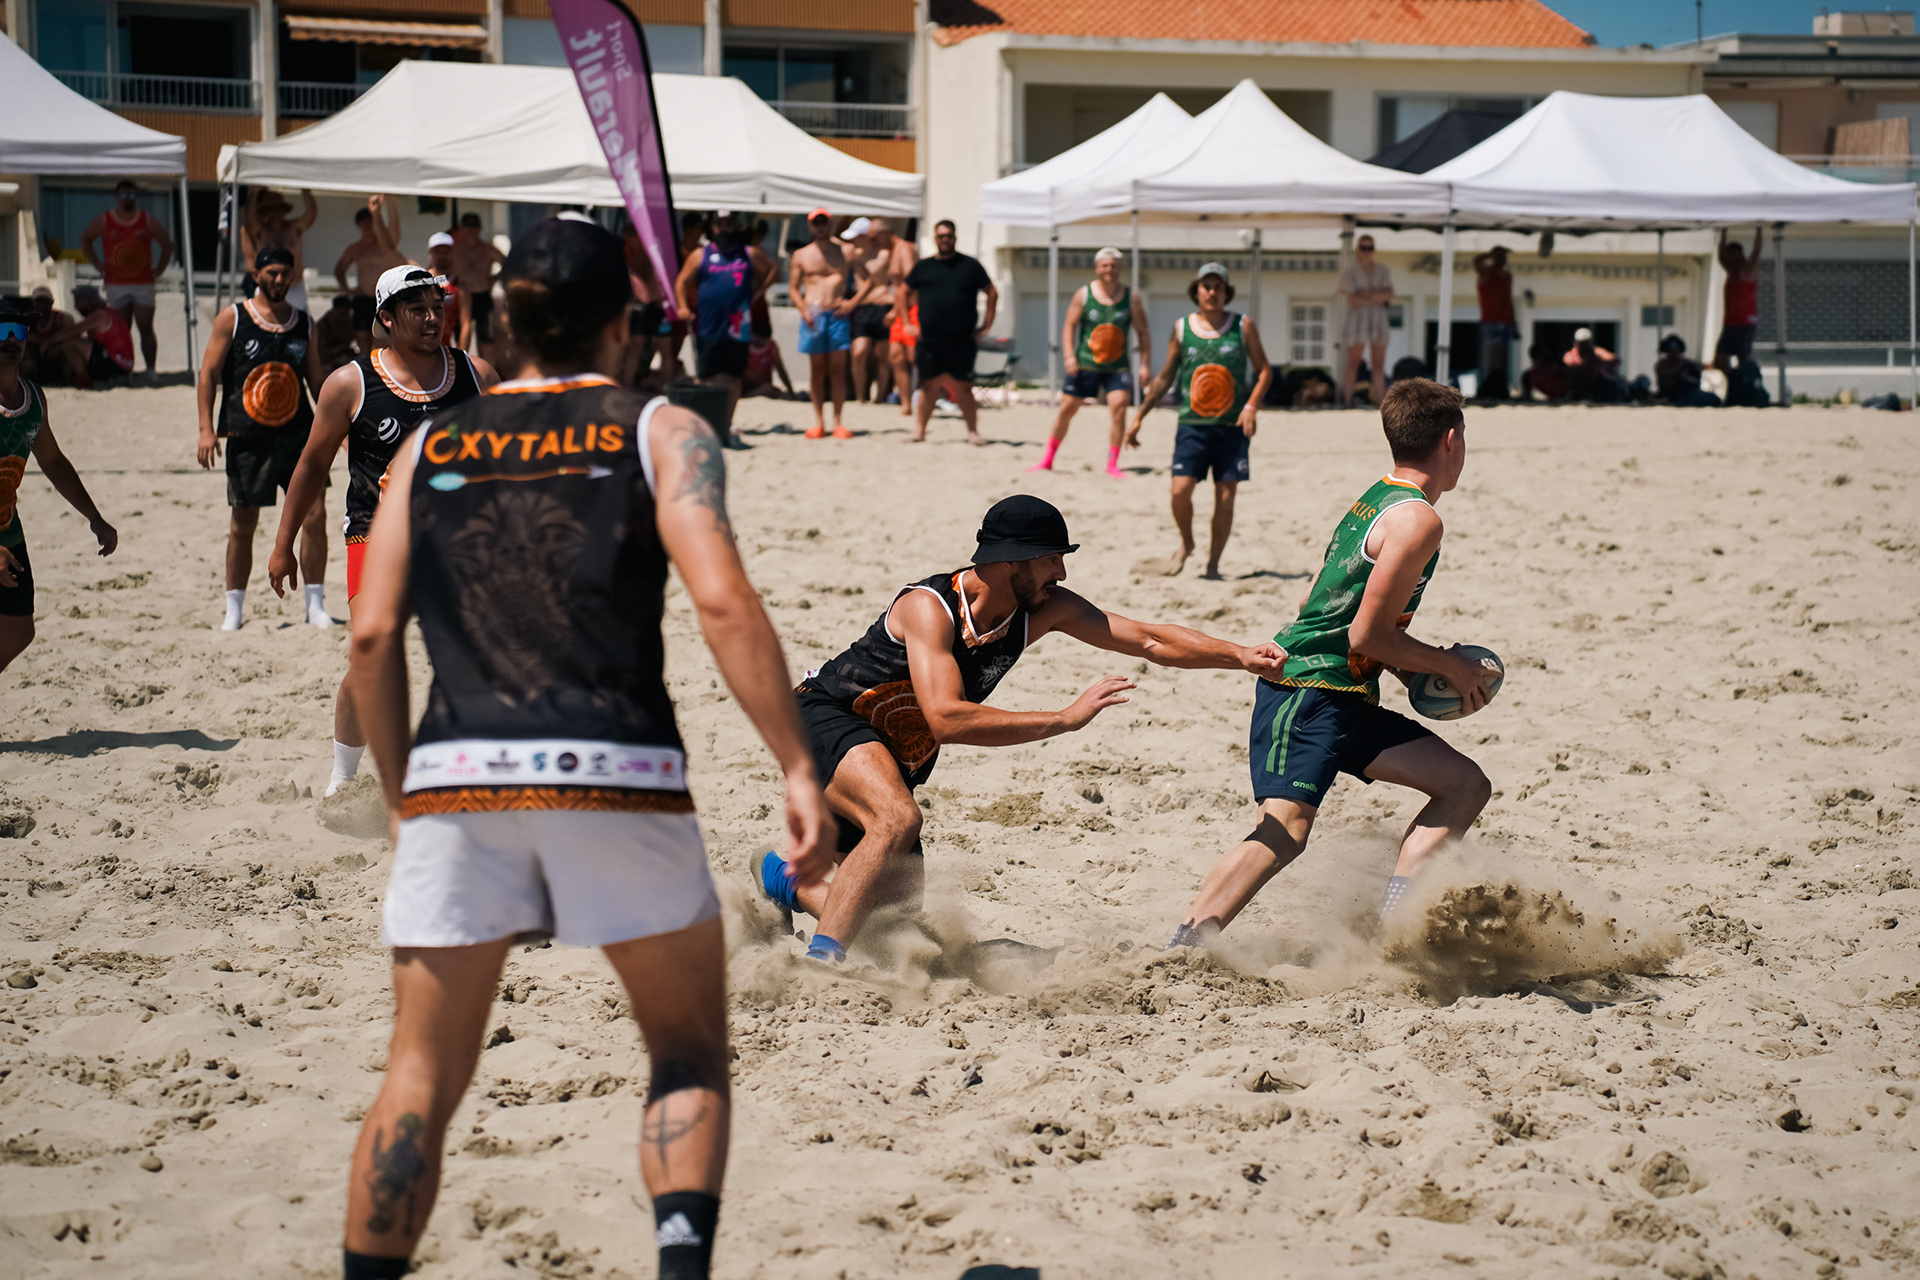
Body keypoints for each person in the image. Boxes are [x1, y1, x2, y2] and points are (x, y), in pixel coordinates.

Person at [337, 214, 833, 1280]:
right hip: (619, 771)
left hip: (460, 775)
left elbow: (371, 636)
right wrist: (797, 765)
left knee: (419, 1073)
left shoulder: (428, 445)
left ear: (503, 323)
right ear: (621, 323)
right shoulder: (661, 428)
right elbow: (722, 601)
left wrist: (403, 796)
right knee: (686, 1049)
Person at [754, 494, 1283, 960]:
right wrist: (1064, 719)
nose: (1063, 573)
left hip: (891, 757)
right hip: (823, 719)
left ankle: (781, 877)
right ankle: (823, 965)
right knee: (897, 818)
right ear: (1012, 561)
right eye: (1053, 559)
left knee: (892, 935)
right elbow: (946, 718)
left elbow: (1148, 639)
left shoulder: (1042, 609)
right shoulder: (928, 607)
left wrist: (1238, 655)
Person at [1165, 378, 1495, 951]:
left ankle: (1396, 931)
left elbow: (1318, 602)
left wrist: (1414, 672)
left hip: (1346, 694)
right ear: (1451, 440)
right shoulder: (1419, 520)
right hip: (1309, 690)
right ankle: (1185, 945)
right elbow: (1367, 632)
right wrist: (1449, 666)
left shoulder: (1377, 497)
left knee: (1464, 785)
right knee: (1286, 829)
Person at [268, 263, 496, 796]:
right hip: (376, 534)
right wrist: (282, 545)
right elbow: (311, 465)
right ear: (386, 318)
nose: (432, 317)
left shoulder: (477, 375)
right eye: (417, 309)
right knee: (370, 651)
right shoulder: (349, 383)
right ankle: (343, 778)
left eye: (437, 307)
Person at [195, 246, 328, 631]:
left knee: (315, 515)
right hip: (247, 433)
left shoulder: (304, 323)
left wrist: (337, 431)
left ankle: (315, 605)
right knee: (243, 521)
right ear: (257, 276)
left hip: (298, 435)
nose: (280, 279)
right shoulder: (233, 317)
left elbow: (317, 381)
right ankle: (234, 608)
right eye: (272, 273)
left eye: (286, 273)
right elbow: (208, 374)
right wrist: (206, 429)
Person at [1124, 262, 1270, 580]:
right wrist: (1138, 417)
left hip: (1232, 428)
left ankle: (1213, 565)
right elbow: (1165, 378)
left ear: (1226, 292)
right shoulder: (1182, 328)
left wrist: (1251, 405)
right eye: (1206, 286)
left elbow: (1264, 371)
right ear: (1197, 291)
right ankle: (1187, 543)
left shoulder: (1243, 325)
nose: (1212, 292)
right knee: (1179, 491)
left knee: (1226, 497)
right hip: (1192, 425)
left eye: (1218, 286)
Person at [0, 305, 118, 674]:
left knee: (20, 630)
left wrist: (95, 517)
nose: (11, 339)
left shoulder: (32, 399)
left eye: (19, 331)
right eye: (2, 330)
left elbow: (53, 462)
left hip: (8, 530)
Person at [1031, 246, 1149, 478]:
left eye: (1113, 266)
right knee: (1067, 410)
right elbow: (1069, 326)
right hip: (1086, 364)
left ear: (1120, 269)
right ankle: (1048, 459)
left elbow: (1143, 332)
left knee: (1119, 409)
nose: (1109, 270)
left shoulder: (1131, 298)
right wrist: (1068, 356)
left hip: (1117, 367)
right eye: (1104, 265)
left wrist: (1145, 364)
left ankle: (1112, 464)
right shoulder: (1084, 294)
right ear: (1097, 268)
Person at [676, 211, 774, 445]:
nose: (724, 228)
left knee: (733, 376)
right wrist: (683, 307)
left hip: (738, 326)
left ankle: (726, 422)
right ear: (713, 228)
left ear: (736, 226)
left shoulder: (748, 253)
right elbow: (681, 281)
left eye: (729, 223)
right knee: (707, 376)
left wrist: (757, 292)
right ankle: (706, 423)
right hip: (708, 325)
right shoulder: (701, 254)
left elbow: (773, 271)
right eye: (720, 224)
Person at [902, 220, 996, 446]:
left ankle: (972, 432)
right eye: (941, 236)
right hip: (929, 338)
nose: (945, 240)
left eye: (949, 236)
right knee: (928, 385)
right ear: (935, 238)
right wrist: (907, 323)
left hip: (961, 338)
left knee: (963, 385)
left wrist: (986, 325)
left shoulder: (969, 265)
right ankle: (919, 431)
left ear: (955, 237)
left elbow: (992, 293)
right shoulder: (924, 266)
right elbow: (902, 292)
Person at [80, 180, 174, 383]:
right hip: (116, 283)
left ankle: (151, 370)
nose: (127, 199)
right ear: (117, 196)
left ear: (136, 196)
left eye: (131, 195)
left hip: (143, 282)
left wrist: (160, 269)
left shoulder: (146, 220)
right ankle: (124, 370)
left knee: (145, 326)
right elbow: (86, 238)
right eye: (124, 195)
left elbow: (167, 244)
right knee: (121, 328)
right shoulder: (106, 219)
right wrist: (97, 263)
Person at [789, 208, 855, 440]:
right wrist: (802, 309)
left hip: (837, 314)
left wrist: (854, 302)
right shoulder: (801, 255)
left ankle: (838, 422)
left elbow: (868, 278)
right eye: (816, 223)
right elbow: (793, 288)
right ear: (810, 226)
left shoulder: (845, 251)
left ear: (830, 224)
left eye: (823, 222)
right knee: (817, 369)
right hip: (814, 314)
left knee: (837, 369)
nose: (820, 227)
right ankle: (819, 422)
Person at [849, 217, 912, 406]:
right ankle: (861, 397)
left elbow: (903, 279)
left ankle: (881, 397)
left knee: (884, 357)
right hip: (864, 308)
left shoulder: (888, 252)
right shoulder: (855, 254)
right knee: (859, 352)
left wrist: (894, 300)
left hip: (883, 307)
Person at [333, 196, 407, 357]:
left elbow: (394, 226)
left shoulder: (386, 245)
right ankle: (365, 370)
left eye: (369, 222)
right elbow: (339, 269)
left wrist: (387, 204)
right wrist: (347, 290)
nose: (367, 226)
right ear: (358, 226)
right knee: (363, 346)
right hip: (363, 299)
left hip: (382, 299)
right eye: (363, 223)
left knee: (382, 343)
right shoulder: (355, 248)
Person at [40, 286, 135, 389]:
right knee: (69, 347)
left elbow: (70, 332)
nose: (75, 306)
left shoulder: (99, 315)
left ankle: (83, 380)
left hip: (117, 364)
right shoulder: (105, 313)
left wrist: (48, 342)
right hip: (121, 363)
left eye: (77, 301)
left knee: (69, 344)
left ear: (88, 300)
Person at [244, 187, 319, 312]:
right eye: (270, 210)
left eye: (279, 209)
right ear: (265, 212)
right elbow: (249, 220)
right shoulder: (261, 231)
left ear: (284, 211)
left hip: (294, 288)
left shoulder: (294, 228)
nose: (275, 213)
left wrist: (305, 191)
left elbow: (311, 214)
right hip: (268, 289)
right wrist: (254, 192)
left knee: (299, 323)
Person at [1339, 235, 1393, 407]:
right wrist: (1377, 296)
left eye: (1370, 248)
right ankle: (1347, 402)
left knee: (1378, 365)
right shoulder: (1350, 272)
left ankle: (1380, 403)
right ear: (1357, 250)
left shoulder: (1383, 270)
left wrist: (1365, 294)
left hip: (1378, 318)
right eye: (1363, 248)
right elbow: (1353, 300)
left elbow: (1389, 295)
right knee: (1353, 363)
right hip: (1358, 319)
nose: (1367, 252)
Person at [450, 212, 506, 359]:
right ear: (461, 229)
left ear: (479, 229)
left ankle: (487, 368)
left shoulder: (487, 249)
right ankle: (460, 364)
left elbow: (508, 264)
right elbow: (439, 267)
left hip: (482, 295)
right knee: (461, 335)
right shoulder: (454, 249)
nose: (471, 232)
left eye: (473, 228)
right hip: (461, 297)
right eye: (467, 227)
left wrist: (494, 279)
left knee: (486, 338)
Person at [1715, 224, 1764, 371]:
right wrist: (1723, 233)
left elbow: (1756, 252)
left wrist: (1758, 230)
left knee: (1743, 357)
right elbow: (1720, 256)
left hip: (1744, 323)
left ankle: (1747, 377)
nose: (1729, 257)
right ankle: (1732, 379)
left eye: (1731, 254)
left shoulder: (1747, 271)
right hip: (1730, 323)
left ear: (1739, 254)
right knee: (1720, 358)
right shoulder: (1731, 271)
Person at [1472, 245, 1515, 400]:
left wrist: (1512, 321)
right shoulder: (1487, 273)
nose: (1504, 260)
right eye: (1501, 257)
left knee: (1502, 357)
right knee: (1492, 356)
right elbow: (1476, 262)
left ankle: (1499, 386)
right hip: (1491, 320)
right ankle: (1489, 387)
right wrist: (1490, 255)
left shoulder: (1506, 276)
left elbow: (1508, 299)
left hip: (1505, 321)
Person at [1654, 334, 1721, 407]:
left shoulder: (1687, 363)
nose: (1673, 351)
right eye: (1670, 349)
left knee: (1713, 398)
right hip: (1674, 396)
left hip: (1689, 394)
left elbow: (1699, 373)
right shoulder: (1662, 365)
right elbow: (1663, 385)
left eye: (1675, 348)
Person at [1563, 327, 1626, 403]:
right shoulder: (1570, 355)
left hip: (1597, 386)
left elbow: (1615, 360)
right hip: (1577, 386)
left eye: (1586, 343)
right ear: (1576, 343)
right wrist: (1585, 363)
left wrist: (1602, 361)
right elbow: (1569, 366)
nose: (1584, 346)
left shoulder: (1596, 352)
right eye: (1582, 343)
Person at [742, 312, 794, 400]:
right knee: (769, 389)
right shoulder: (744, 347)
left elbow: (781, 370)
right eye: (758, 342)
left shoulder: (771, 347)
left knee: (773, 391)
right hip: (748, 390)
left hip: (765, 387)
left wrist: (791, 390)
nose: (762, 345)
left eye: (765, 342)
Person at [315, 293, 358, 376]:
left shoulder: (348, 323)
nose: (344, 318)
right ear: (333, 311)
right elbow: (320, 352)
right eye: (341, 314)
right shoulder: (322, 327)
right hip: (327, 362)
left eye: (346, 314)